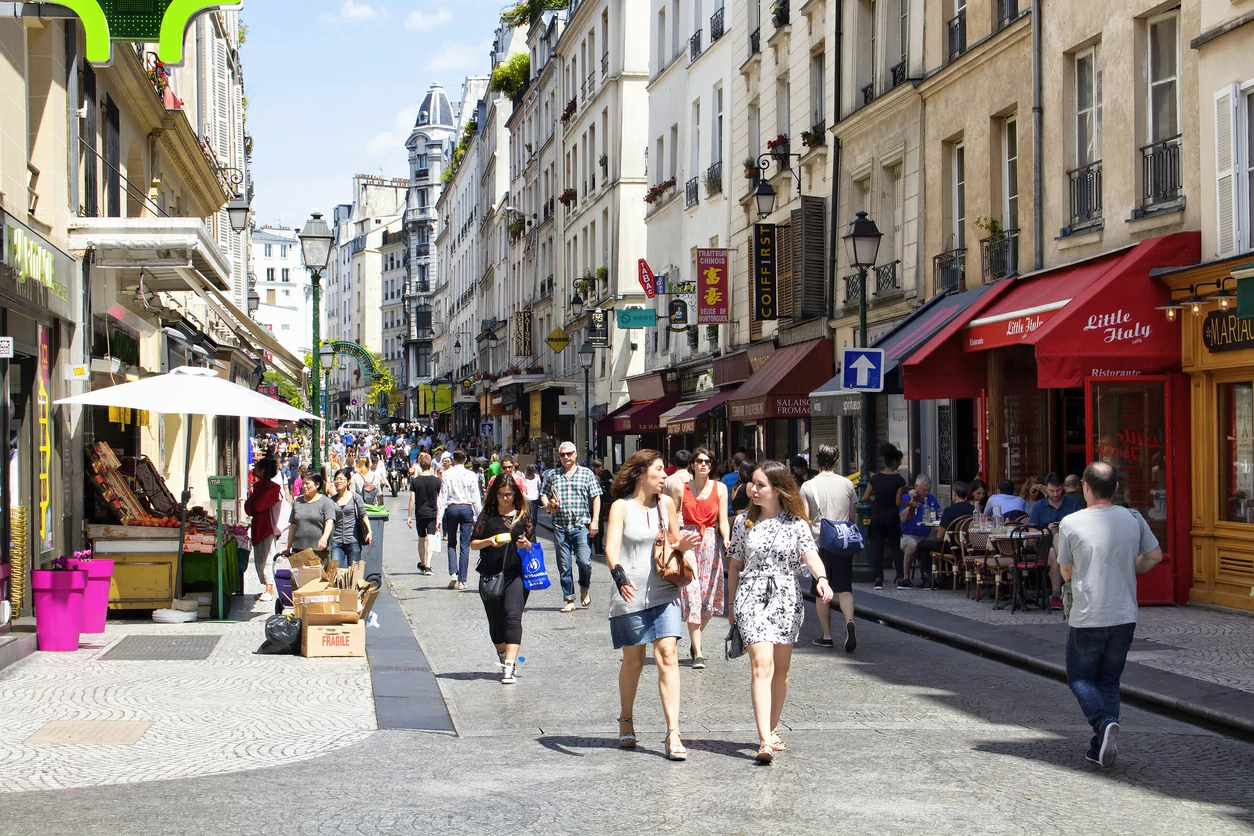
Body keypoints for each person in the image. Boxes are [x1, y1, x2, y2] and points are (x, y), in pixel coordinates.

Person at [727, 460, 834, 764]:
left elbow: (810, 555)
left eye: (761, 485)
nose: (754, 489)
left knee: (781, 670)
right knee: (761, 665)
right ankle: (764, 741)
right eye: (753, 484)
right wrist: (732, 607)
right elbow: (734, 566)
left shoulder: (796, 524)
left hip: (786, 597)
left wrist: (822, 579)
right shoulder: (742, 523)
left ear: (777, 489)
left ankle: (772, 728)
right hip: (751, 595)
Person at [1057, 462, 1162, 768]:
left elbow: (1065, 570)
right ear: (1116, 488)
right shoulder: (1133, 517)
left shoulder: (1071, 523)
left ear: (1085, 488)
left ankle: (1103, 723)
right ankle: (1099, 746)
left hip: (1089, 614)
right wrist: (1131, 568)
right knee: (1109, 681)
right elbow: (1154, 555)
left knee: (1079, 677)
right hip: (1124, 613)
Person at [604, 449, 701, 760]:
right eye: (659, 470)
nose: (664, 475)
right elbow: (611, 549)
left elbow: (673, 543)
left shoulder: (666, 504)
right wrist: (619, 577)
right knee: (633, 661)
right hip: (630, 592)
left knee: (668, 655)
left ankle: (673, 732)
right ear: (641, 473)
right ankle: (626, 718)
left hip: (663, 591)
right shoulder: (620, 508)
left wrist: (682, 546)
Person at [469, 472, 536, 685]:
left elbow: (533, 543)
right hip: (490, 574)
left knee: (513, 617)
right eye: (500, 494)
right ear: (494, 494)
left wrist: (526, 544)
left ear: (515, 494)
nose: (505, 498)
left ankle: (509, 665)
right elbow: (473, 543)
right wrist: (489, 541)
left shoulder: (523, 514)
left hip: (516, 573)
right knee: (496, 625)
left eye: (508, 494)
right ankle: (502, 652)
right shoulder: (488, 514)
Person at [669, 447, 729, 668]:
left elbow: (723, 520)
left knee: (708, 602)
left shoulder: (720, 488)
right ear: (692, 465)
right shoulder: (680, 488)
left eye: (708, 462)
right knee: (693, 597)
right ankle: (699, 654)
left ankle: (696, 641)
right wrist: (676, 541)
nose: (704, 464)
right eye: (700, 461)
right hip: (689, 543)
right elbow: (671, 517)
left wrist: (728, 538)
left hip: (711, 544)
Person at [801, 445, 858, 651]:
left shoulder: (808, 486)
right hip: (842, 542)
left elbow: (805, 519)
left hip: (819, 543)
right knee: (845, 587)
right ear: (836, 460)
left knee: (821, 590)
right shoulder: (847, 484)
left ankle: (827, 635)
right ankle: (849, 621)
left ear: (816, 460)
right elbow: (852, 517)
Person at [540, 441, 602, 613]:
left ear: (575, 454)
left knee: (584, 562)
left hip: (580, 525)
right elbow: (543, 494)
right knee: (564, 565)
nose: (566, 457)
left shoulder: (586, 474)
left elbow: (596, 497)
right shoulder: (553, 475)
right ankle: (569, 598)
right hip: (560, 526)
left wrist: (595, 520)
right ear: (559, 456)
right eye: (562, 455)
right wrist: (547, 506)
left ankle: (584, 587)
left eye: (569, 453)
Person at [1028, 472, 1085, 610]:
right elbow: (1031, 533)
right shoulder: (1039, 506)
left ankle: (1056, 595)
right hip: (1044, 544)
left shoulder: (1073, 503)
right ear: (1045, 489)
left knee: (1055, 550)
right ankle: (1069, 583)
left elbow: (1084, 525)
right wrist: (1047, 530)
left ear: (1063, 488)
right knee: (1055, 538)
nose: (1055, 494)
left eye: (1058, 490)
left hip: (1071, 544)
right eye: (1052, 491)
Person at [435, 450, 483, 591]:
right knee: (464, 545)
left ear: (454, 460)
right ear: (465, 459)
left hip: (452, 508)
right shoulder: (471, 475)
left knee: (451, 543)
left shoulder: (447, 474)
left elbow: (442, 497)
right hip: (467, 508)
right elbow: (476, 497)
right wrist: (480, 517)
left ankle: (453, 573)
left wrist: (438, 518)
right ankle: (462, 579)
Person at [863, 443, 908, 591]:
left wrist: (875, 503)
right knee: (895, 547)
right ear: (894, 462)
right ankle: (901, 578)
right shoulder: (899, 481)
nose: (900, 464)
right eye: (899, 462)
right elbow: (898, 502)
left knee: (878, 548)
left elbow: (865, 497)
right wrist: (912, 505)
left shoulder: (875, 478)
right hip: (892, 516)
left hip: (877, 516)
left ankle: (878, 579)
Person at [244, 457, 282, 602]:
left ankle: (270, 589)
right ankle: (267, 589)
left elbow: (257, 506)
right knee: (260, 557)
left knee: (267, 557)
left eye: (257, 467)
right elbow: (250, 508)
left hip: (267, 527)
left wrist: (253, 506)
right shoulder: (259, 486)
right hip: (259, 526)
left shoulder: (272, 487)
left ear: (263, 470)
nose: (253, 470)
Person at [899, 475, 942, 589]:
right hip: (908, 536)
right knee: (913, 545)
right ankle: (905, 577)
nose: (926, 493)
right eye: (924, 490)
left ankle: (930, 577)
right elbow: (902, 518)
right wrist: (912, 502)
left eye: (928, 490)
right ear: (915, 487)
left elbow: (939, 515)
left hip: (925, 536)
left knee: (936, 545)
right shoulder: (905, 498)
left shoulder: (930, 498)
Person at [284, 472, 339, 562]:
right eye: (303, 483)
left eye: (307, 483)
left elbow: (329, 522)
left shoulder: (326, 502)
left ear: (317, 484)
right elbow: (293, 525)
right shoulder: (297, 502)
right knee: (298, 575)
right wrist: (287, 546)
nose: (304, 486)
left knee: (318, 576)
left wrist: (324, 538)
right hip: (298, 549)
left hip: (319, 550)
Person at [329, 468, 372, 567]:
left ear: (348, 481)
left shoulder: (355, 497)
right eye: (336, 479)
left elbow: (363, 515)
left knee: (354, 573)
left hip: (353, 541)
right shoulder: (331, 500)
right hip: (336, 541)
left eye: (341, 479)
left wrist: (369, 532)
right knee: (336, 572)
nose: (338, 481)